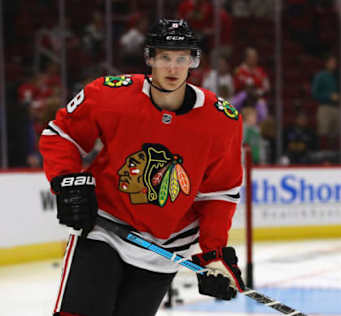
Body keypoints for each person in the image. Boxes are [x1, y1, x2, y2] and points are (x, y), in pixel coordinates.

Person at [39, 19, 245, 316]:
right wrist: (66, 180)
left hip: (166, 246)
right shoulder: (111, 95)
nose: (173, 68)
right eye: (164, 57)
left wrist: (213, 255)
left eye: (181, 59)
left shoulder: (222, 121)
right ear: (149, 58)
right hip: (105, 227)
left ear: (193, 61)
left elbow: (219, 194)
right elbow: (61, 135)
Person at [312, 54, 339, 135]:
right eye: (331, 62)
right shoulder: (320, 76)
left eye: (335, 63)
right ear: (326, 64)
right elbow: (314, 93)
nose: (333, 64)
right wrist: (329, 96)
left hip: (337, 108)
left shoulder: (338, 75)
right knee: (323, 133)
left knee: (336, 134)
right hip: (325, 108)